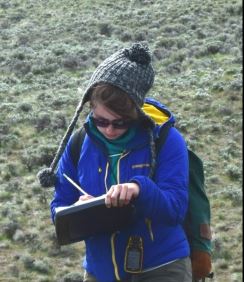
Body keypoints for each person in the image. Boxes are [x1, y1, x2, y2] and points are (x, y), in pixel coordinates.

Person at [42, 43, 192, 282]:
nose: (109, 130)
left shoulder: (166, 139)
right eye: (101, 121)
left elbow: (175, 208)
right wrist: (77, 211)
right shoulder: (78, 143)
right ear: (90, 108)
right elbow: (59, 207)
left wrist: (139, 189)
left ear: (136, 112)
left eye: (120, 123)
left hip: (161, 267)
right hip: (100, 272)